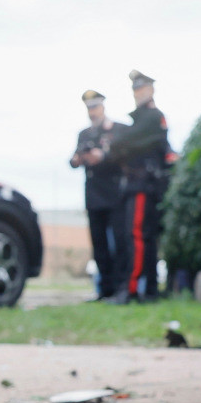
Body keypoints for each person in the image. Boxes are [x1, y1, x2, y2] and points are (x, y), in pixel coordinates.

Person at [103, 70, 169, 304]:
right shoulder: (142, 120)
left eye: (141, 88)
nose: (138, 93)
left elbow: (125, 142)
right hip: (141, 185)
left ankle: (131, 289)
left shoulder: (151, 117)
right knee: (145, 238)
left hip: (143, 185)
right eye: (135, 89)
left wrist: (117, 144)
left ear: (151, 90)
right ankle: (149, 290)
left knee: (138, 236)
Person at [69, 90, 123, 301]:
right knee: (99, 245)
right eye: (89, 108)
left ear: (103, 107)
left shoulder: (115, 130)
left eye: (95, 107)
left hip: (114, 196)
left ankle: (120, 288)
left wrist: (103, 156)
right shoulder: (84, 134)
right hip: (93, 197)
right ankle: (105, 290)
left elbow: (120, 156)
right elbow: (73, 159)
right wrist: (78, 160)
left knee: (118, 244)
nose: (92, 112)